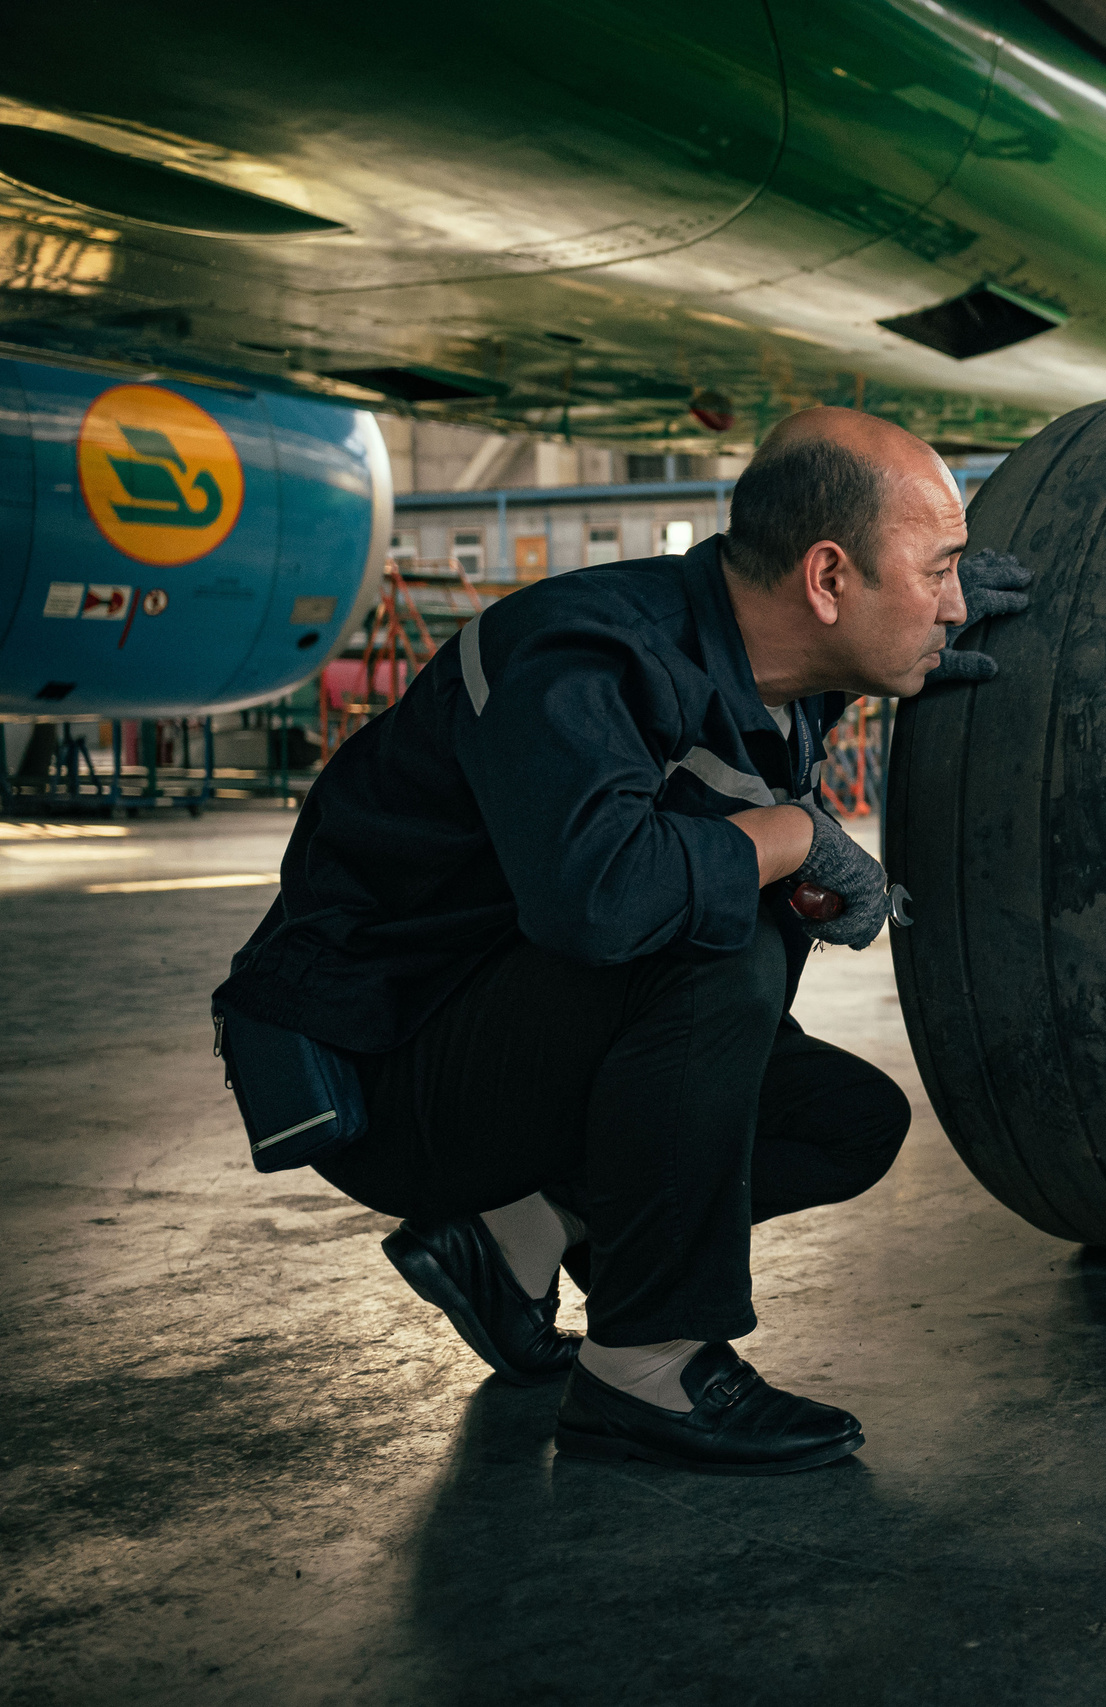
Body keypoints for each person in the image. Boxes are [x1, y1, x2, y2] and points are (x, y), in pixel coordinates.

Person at [212, 409, 1031, 1476]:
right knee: (714, 941)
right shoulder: (580, 651)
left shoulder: (775, 667)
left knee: (845, 1124)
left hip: (515, 1041)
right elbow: (599, 901)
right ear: (827, 579)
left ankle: (515, 1238)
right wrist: (790, 838)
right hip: (393, 1069)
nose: (958, 605)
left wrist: (916, 641)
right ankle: (645, 1370)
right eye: (938, 573)